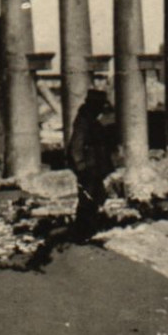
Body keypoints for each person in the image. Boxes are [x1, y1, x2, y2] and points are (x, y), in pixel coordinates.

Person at [66, 89, 116, 238]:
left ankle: (90, 228)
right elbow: (76, 144)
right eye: (100, 105)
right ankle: (83, 231)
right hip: (88, 167)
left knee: (96, 197)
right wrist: (80, 165)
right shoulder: (84, 119)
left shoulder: (92, 119)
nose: (102, 108)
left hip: (95, 166)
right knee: (87, 199)